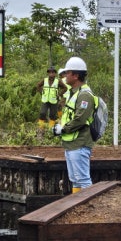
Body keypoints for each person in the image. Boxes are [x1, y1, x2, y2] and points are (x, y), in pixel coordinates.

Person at [51, 56, 96, 193]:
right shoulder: (72, 93)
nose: (65, 76)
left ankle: (88, 209)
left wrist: (63, 129)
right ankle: (78, 209)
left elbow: (80, 119)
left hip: (80, 143)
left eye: (67, 73)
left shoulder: (85, 95)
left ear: (76, 75)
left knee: (83, 180)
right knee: (75, 180)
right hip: (71, 143)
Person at [36, 66, 67, 130]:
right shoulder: (44, 80)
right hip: (45, 100)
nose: (51, 74)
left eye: (53, 72)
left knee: (53, 115)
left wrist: (59, 94)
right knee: (42, 113)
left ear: (55, 73)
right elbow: (38, 85)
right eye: (50, 72)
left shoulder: (58, 81)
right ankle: (40, 128)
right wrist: (42, 92)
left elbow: (65, 88)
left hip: (54, 100)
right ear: (48, 73)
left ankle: (50, 128)